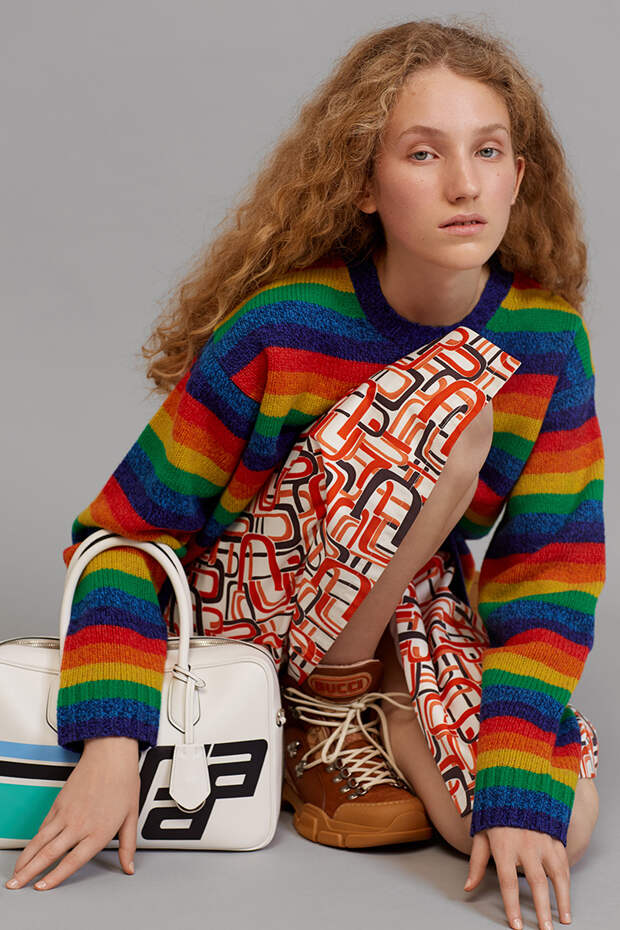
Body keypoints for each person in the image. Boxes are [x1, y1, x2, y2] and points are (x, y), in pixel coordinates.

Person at [5, 17, 605, 930]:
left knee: (544, 820)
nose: (464, 184)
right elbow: (122, 535)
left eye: (488, 151)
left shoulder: (549, 341)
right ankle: (322, 706)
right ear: (363, 184)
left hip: (410, 599)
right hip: (252, 606)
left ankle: (380, 705)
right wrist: (113, 742)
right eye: (423, 153)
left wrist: (519, 777)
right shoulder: (283, 326)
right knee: (457, 413)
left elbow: (550, 573)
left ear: (519, 176)